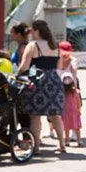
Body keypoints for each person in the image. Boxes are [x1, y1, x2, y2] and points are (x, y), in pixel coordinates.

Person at [18, 18, 67, 153]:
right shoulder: (56, 46)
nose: (30, 33)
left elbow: (24, 67)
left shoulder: (32, 46)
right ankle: (62, 145)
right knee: (55, 115)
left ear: (37, 31)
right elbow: (60, 67)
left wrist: (18, 74)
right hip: (54, 81)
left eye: (32, 30)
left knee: (35, 116)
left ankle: (36, 147)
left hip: (38, 81)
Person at [57, 42, 83, 146]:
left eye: (67, 53)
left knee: (75, 110)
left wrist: (75, 89)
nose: (65, 56)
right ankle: (54, 131)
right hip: (59, 88)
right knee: (59, 113)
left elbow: (74, 75)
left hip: (71, 87)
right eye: (63, 53)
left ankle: (74, 134)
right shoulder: (57, 60)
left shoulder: (73, 61)